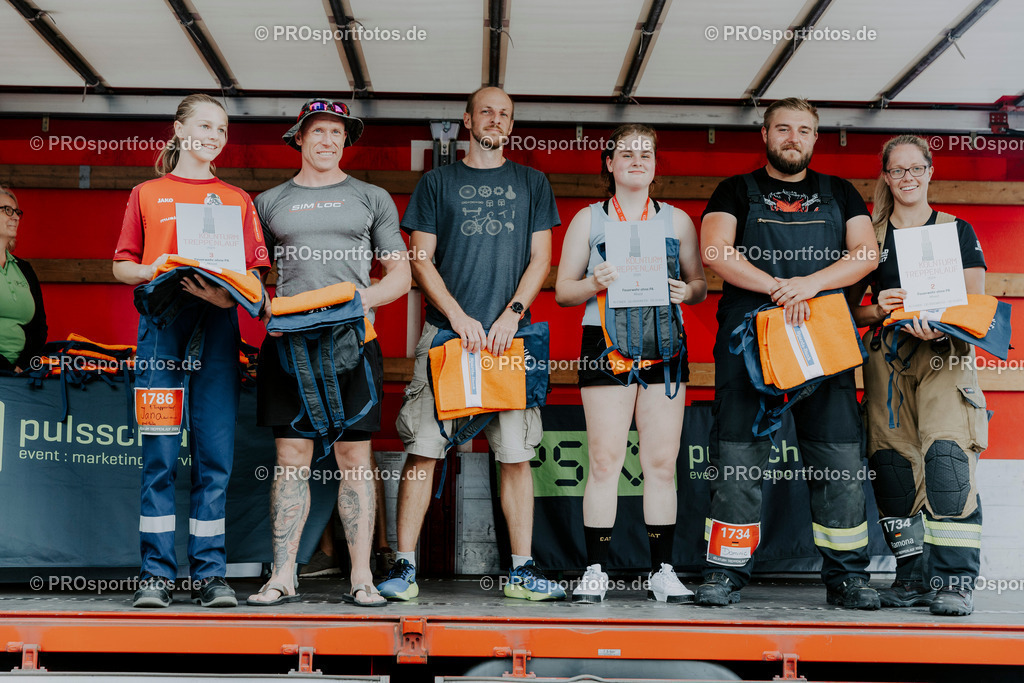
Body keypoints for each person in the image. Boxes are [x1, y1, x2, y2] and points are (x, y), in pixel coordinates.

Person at [377, 86, 564, 601]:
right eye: (487, 111)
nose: (496, 120)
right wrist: (458, 316)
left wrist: (512, 314)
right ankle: (404, 569)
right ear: (467, 119)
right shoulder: (438, 182)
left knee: (516, 455)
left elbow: (541, 260)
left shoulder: (532, 181)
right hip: (446, 335)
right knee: (423, 450)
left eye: (504, 114)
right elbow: (420, 258)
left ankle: (522, 572)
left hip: (510, 339)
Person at [697, 98, 880, 609]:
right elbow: (715, 252)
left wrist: (809, 286)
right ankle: (724, 573)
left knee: (838, 463)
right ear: (765, 134)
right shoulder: (735, 189)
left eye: (804, 129)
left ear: (815, 139)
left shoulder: (839, 192)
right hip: (751, 342)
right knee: (737, 461)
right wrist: (779, 287)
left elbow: (865, 255)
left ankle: (848, 577)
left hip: (824, 342)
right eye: (783, 128)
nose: (793, 137)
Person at [246, 99, 410, 608]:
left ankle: (362, 576)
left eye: (337, 132)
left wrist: (352, 302)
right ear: (299, 137)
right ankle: (282, 576)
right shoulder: (268, 202)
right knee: (290, 458)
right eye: (318, 131)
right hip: (288, 346)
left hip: (352, 342)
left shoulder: (371, 197)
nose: (328, 140)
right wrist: (262, 303)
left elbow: (400, 275)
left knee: (355, 458)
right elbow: (252, 274)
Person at [114, 93, 271, 608]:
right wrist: (155, 269)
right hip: (161, 332)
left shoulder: (237, 200)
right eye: (204, 126)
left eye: (222, 130)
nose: (213, 136)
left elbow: (256, 275)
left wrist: (229, 293)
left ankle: (210, 575)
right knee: (158, 456)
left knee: (215, 460)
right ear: (179, 130)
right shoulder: (146, 192)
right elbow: (122, 266)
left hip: (219, 333)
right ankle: (154, 575)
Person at [554, 125, 706, 603]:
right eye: (626, 153)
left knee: (661, 463)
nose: (636, 160)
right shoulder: (588, 219)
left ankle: (662, 571)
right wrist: (595, 282)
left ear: (656, 164)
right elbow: (562, 292)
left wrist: (689, 291)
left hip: (666, 341)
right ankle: (595, 569)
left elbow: (698, 282)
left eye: (645, 153)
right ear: (609, 163)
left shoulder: (678, 220)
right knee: (605, 460)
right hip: (604, 341)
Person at [849, 135, 986, 616]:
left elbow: (974, 299)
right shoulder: (870, 237)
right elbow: (848, 309)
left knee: (947, 462)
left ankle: (953, 581)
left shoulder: (956, 229)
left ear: (930, 172)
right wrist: (875, 309)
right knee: (892, 470)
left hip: (945, 355)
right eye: (898, 171)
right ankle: (910, 578)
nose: (908, 178)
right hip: (887, 359)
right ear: (886, 177)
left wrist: (941, 320)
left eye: (916, 169)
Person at [0, 186, 46, 373]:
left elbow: (39, 326)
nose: (16, 217)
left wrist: (23, 364)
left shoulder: (24, 268)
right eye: (7, 210)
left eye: (17, 212)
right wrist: (5, 368)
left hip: (21, 374)